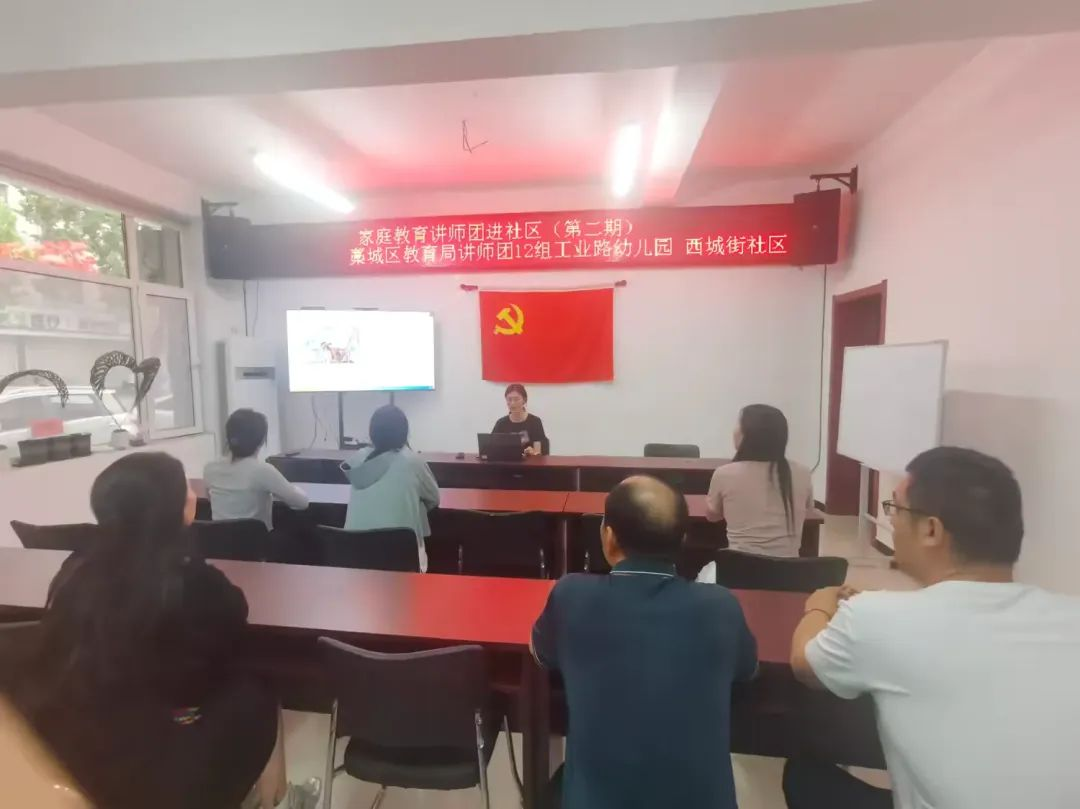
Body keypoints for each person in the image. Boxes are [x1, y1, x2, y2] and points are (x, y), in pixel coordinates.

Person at [6, 452, 319, 809]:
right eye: (186, 489)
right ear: (173, 510)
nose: (192, 494)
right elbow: (225, 644)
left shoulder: (75, 571)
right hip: (159, 766)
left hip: (72, 754)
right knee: (257, 693)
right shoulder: (193, 582)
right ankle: (278, 800)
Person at [786, 447, 1080, 809]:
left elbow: (804, 663)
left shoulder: (873, 617)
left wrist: (820, 602)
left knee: (803, 775)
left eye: (895, 508)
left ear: (930, 530)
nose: (892, 522)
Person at [532, 475, 757, 809]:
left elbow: (541, 653)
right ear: (682, 539)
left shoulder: (571, 595)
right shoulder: (721, 606)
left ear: (608, 538)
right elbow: (746, 670)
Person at [698, 404, 812, 582]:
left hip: (738, 572)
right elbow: (808, 509)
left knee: (701, 575)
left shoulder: (724, 473)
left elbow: (712, 516)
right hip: (789, 575)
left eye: (738, 425)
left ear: (747, 435)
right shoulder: (803, 473)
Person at [340, 405, 440, 571]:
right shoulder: (413, 462)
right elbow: (434, 499)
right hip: (401, 563)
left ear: (372, 433)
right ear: (404, 433)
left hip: (354, 562)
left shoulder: (357, 459)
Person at [204, 408, 309, 529]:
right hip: (256, 541)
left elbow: (210, 498)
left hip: (218, 540)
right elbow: (302, 503)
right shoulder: (263, 471)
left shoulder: (210, 468)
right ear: (262, 440)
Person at [492, 383, 548, 456]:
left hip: (529, 462)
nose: (512, 403)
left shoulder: (535, 422)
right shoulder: (501, 423)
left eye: (516, 399)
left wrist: (534, 452)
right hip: (507, 462)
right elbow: (491, 447)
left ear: (524, 400)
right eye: (509, 399)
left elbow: (543, 450)